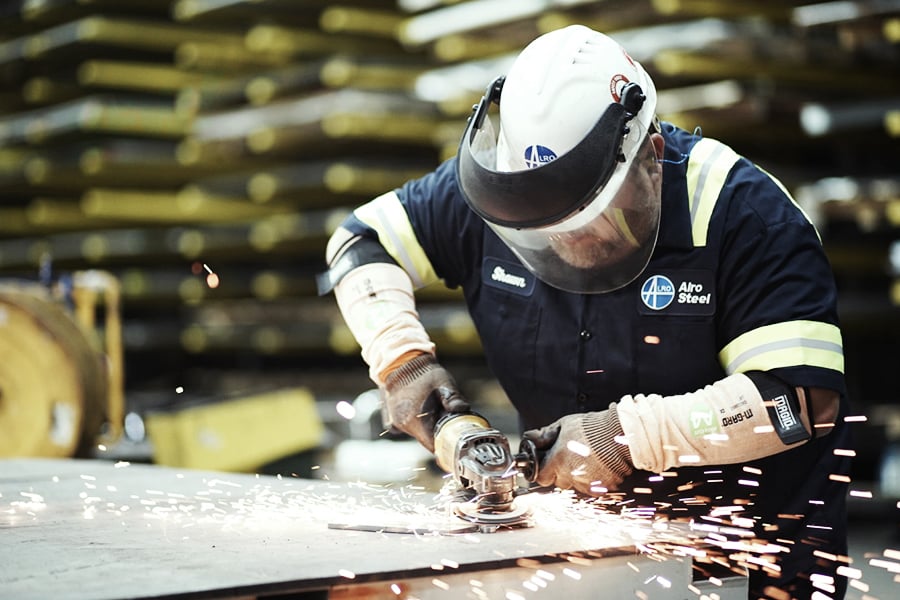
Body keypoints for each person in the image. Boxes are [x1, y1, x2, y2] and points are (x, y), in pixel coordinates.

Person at [319, 25, 852, 599]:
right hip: (583, 554)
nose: (563, 244)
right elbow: (360, 242)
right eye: (540, 231)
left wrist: (624, 439)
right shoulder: (506, 188)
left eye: (584, 219)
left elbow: (798, 402)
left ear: (650, 156)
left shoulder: (745, 214)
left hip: (744, 559)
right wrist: (404, 364)